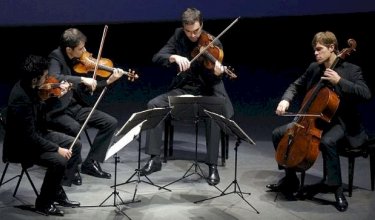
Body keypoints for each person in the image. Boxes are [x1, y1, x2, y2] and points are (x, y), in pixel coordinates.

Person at [266, 31, 371, 212]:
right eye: (314, 50)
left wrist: (340, 81)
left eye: (319, 49)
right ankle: (291, 179)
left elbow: (366, 93)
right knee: (278, 134)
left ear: (332, 48)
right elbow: (295, 85)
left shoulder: (351, 70)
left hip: (341, 121)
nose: (316, 53)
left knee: (327, 141)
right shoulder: (315, 68)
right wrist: (285, 100)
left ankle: (337, 190)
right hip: (314, 119)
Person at [139, 7, 234, 186]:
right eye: (188, 31)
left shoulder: (214, 43)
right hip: (184, 90)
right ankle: (154, 159)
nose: (192, 35)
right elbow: (157, 57)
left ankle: (212, 165)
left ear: (202, 25)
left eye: (196, 31)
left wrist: (217, 72)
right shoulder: (178, 35)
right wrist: (173, 57)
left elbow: (213, 79)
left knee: (214, 114)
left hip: (208, 92)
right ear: (183, 28)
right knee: (154, 104)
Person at [46, 28, 128, 182]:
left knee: (110, 122)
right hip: (58, 110)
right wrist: (82, 79)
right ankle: (71, 167)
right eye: (80, 49)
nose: (85, 51)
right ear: (69, 49)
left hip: (76, 107)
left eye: (84, 47)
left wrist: (109, 81)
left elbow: (90, 89)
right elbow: (54, 78)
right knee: (74, 128)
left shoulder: (80, 62)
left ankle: (90, 163)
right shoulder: (55, 57)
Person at [3, 55, 81, 216]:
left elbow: (42, 119)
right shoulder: (21, 100)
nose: (48, 80)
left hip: (37, 136)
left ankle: (56, 190)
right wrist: (57, 149)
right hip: (21, 146)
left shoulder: (32, 88)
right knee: (59, 160)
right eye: (45, 77)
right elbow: (30, 137)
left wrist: (55, 96)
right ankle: (44, 204)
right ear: (34, 79)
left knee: (76, 144)